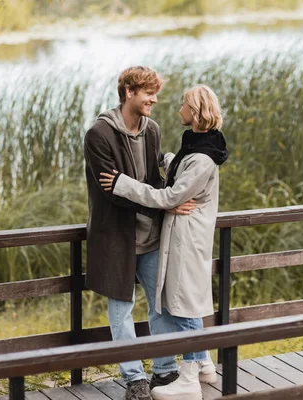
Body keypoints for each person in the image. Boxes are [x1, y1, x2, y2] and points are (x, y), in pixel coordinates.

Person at [100, 84, 228, 400]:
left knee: (183, 305)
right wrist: (162, 157)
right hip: (183, 238)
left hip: (186, 241)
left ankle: (189, 380)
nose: (178, 109)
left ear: (195, 112)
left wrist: (122, 184)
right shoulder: (199, 147)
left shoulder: (202, 158)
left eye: (184, 105)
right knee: (186, 301)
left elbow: (171, 194)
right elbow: (182, 169)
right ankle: (202, 365)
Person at [83, 66, 196, 400]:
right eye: (149, 93)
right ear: (129, 91)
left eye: (156, 93)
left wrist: (168, 196)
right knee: (121, 309)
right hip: (115, 238)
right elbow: (112, 193)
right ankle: (135, 379)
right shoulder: (99, 135)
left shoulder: (153, 130)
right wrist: (164, 204)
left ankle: (164, 371)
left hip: (151, 237)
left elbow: (153, 182)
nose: (154, 99)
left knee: (160, 305)